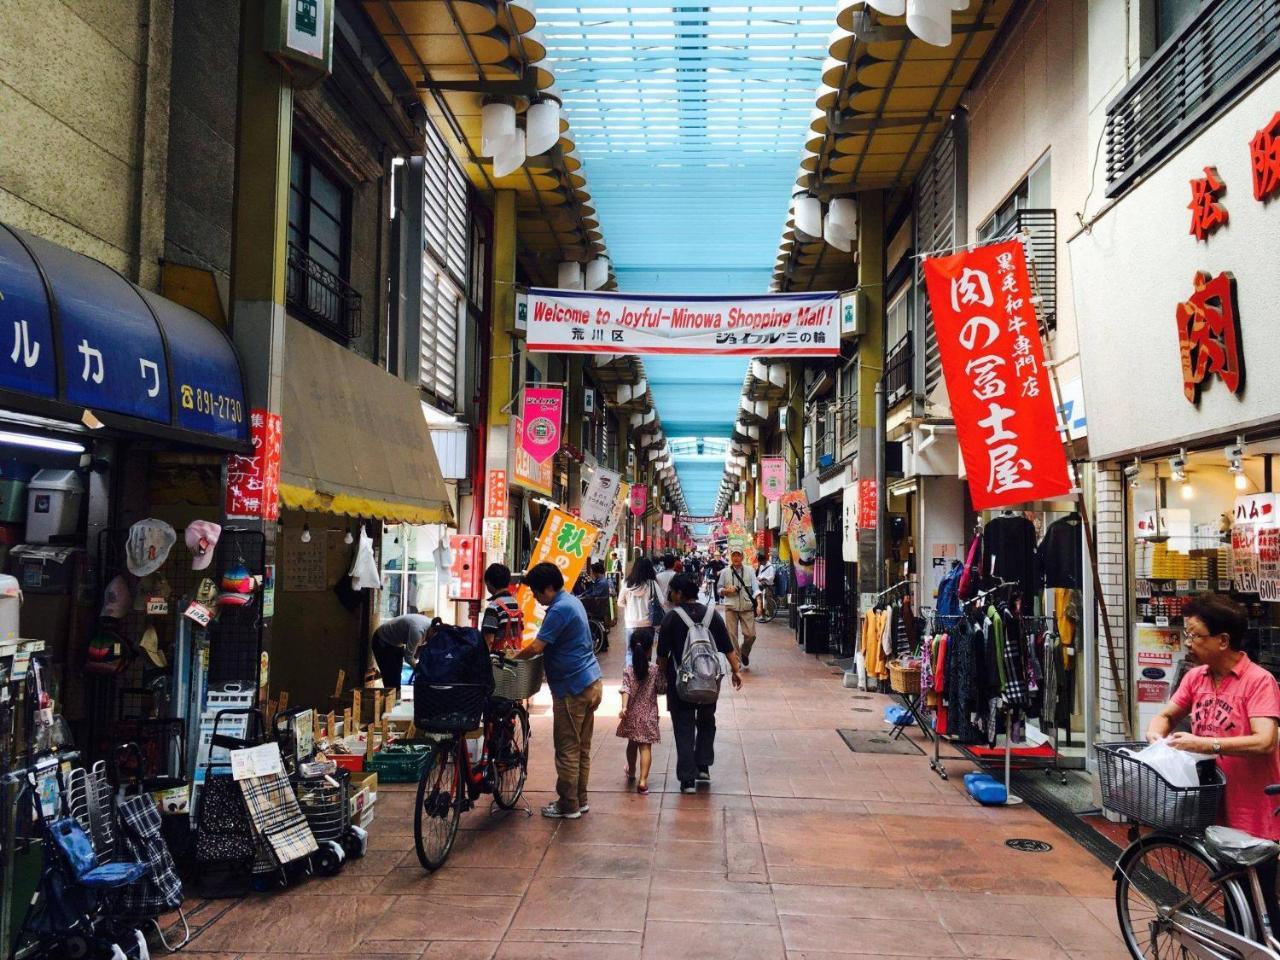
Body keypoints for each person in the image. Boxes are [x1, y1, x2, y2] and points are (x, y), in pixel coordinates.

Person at [1146, 593, 1280, 925]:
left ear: (1223, 640)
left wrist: (1206, 744)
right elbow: (1167, 713)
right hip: (1211, 804)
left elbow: (1265, 741)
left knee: (1259, 899)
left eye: (1194, 634)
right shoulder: (1196, 677)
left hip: (1254, 808)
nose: (1188, 642)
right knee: (1233, 896)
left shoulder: (1258, 681)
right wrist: (1157, 735)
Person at [511, 562, 602, 819]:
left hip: (573, 688)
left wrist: (512, 660)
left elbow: (537, 647)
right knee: (582, 747)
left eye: (537, 593)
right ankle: (580, 799)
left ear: (549, 588)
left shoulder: (560, 609)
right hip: (590, 682)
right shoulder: (571, 602)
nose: (536, 599)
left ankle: (568, 804)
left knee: (568, 749)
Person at [657, 574, 742, 793]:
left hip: (680, 682)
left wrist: (661, 678)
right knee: (706, 721)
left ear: (679, 593)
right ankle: (703, 767)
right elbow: (728, 646)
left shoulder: (671, 618)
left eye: (673, 592)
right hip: (708, 681)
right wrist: (736, 671)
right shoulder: (712, 616)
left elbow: (662, 656)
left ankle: (687, 780)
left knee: (683, 726)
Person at [616, 626, 661, 795]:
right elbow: (662, 688)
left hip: (632, 714)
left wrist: (624, 708)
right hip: (649, 715)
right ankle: (643, 781)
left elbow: (625, 689)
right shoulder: (655, 670)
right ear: (650, 649)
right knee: (645, 747)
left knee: (631, 744)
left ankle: (632, 770)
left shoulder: (628, 670)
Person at [717, 548, 763, 667]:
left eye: (738, 555)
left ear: (742, 557)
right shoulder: (725, 572)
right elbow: (719, 589)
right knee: (732, 635)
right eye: (734, 556)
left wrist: (759, 604)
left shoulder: (750, 570)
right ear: (731, 558)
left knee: (751, 635)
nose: (736, 558)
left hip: (747, 606)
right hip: (731, 607)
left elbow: (755, 588)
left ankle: (744, 652)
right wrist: (726, 590)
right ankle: (736, 661)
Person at [370, 613, 433, 697]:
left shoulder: (431, 627)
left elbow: (417, 651)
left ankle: (395, 701)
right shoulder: (418, 631)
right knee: (390, 677)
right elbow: (408, 657)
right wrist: (419, 669)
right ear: (432, 631)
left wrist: (419, 659)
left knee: (397, 676)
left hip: (396, 643)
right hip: (382, 640)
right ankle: (390, 704)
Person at [618, 557, 662, 649]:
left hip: (631, 623)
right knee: (646, 653)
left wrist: (629, 605)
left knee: (630, 652)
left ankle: (630, 664)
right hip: (648, 624)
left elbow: (620, 602)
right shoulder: (652, 584)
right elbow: (662, 602)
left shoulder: (626, 584)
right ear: (649, 569)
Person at [479, 564, 521, 652]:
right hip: (513, 654)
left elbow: (488, 640)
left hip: (497, 659)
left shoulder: (493, 607)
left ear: (489, 583)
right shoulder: (515, 603)